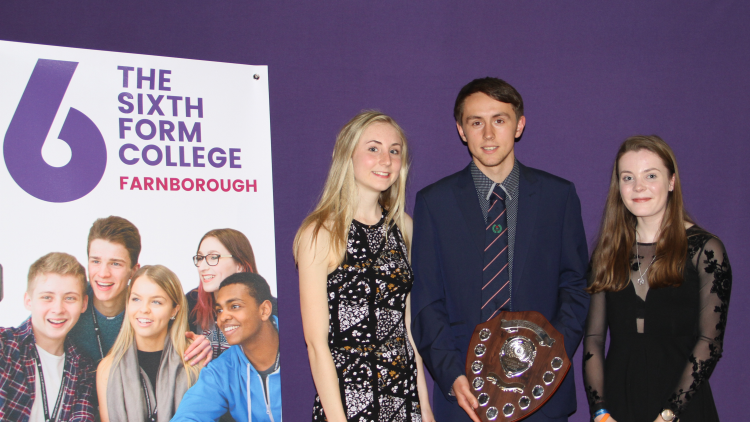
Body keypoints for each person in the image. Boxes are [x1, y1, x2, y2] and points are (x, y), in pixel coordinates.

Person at [410, 77, 589, 422]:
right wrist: (451, 374)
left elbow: (576, 287)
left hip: (542, 397)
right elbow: (427, 302)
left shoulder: (558, 197)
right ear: (462, 130)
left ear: (519, 125)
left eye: (500, 120)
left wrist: (548, 359)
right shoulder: (434, 203)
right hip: (466, 397)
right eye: (476, 122)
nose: (488, 134)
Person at [294, 111, 434, 422]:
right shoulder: (321, 233)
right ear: (347, 155)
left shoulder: (405, 229)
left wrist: (424, 409)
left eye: (394, 151)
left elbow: (409, 330)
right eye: (373, 148)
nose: (386, 160)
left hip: (403, 400)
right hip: (347, 405)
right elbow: (317, 344)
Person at [582, 136, 731, 422]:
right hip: (616, 408)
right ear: (619, 187)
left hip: (683, 408)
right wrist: (600, 412)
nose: (638, 187)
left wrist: (668, 415)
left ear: (672, 181)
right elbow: (593, 339)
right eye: (628, 177)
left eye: (651, 175)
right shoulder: (607, 252)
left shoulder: (705, 250)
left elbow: (709, 342)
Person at [68, 216, 210, 366]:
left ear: (134, 271)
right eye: (96, 261)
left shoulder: (151, 310)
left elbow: (184, 343)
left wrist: (202, 346)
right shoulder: (70, 300)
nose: (103, 273)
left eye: (115, 263)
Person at [171, 272, 281, 422]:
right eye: (219, 310)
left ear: (264, 310)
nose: (223, 317)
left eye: (235, 306)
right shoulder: (221, 370)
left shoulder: (304, 349)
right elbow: (190, 415)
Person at [96, 265, 201, 422]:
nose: (144, 309)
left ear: (174, 310)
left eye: (156, 302)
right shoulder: (107, 369)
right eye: (136, 299)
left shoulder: (195, 364)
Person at [0, 252, 95, 421]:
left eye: (70, 298)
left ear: (84, 304)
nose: (58, 308)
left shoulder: (83, 368)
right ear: (28, 300)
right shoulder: (5, 346)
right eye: (47, 297)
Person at [187, 228, 259, 359]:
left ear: (240, 265)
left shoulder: (268, 309)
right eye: (200, 258)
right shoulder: (191, 301)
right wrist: (187, 344)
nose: (202, 267)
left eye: (213, 257)